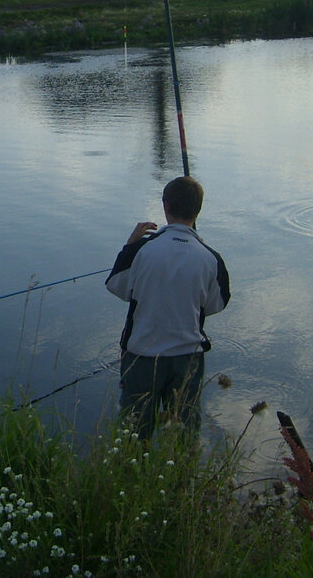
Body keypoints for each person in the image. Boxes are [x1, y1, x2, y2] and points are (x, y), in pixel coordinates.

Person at [106, 176, 231, 439]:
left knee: (133, 437)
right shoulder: (210, 258)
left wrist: (129, 247)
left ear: (165, 206)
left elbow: (117, 287)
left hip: (141, 356)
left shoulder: (141, 250)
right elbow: (215, 304)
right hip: (187, 359)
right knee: (184, 437)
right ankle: (182, 479)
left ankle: (130, 475)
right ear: (198, 210)